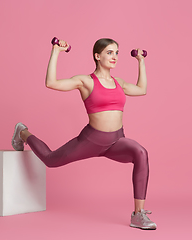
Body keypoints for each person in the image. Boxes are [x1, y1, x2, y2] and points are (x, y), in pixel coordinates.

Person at [11, 38, 157, 230]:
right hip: (91, 140)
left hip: (116, 141)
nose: (115, 57)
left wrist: (141, 62)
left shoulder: (118, 82)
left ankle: (138, 215)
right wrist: (56, 52)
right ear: (97, 56)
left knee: (141, 153)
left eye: (117, 53)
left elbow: (141, 90)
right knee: (50, 160)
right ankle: (23, 133)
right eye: (109, 52)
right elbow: (51, 83)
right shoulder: (85, 81)